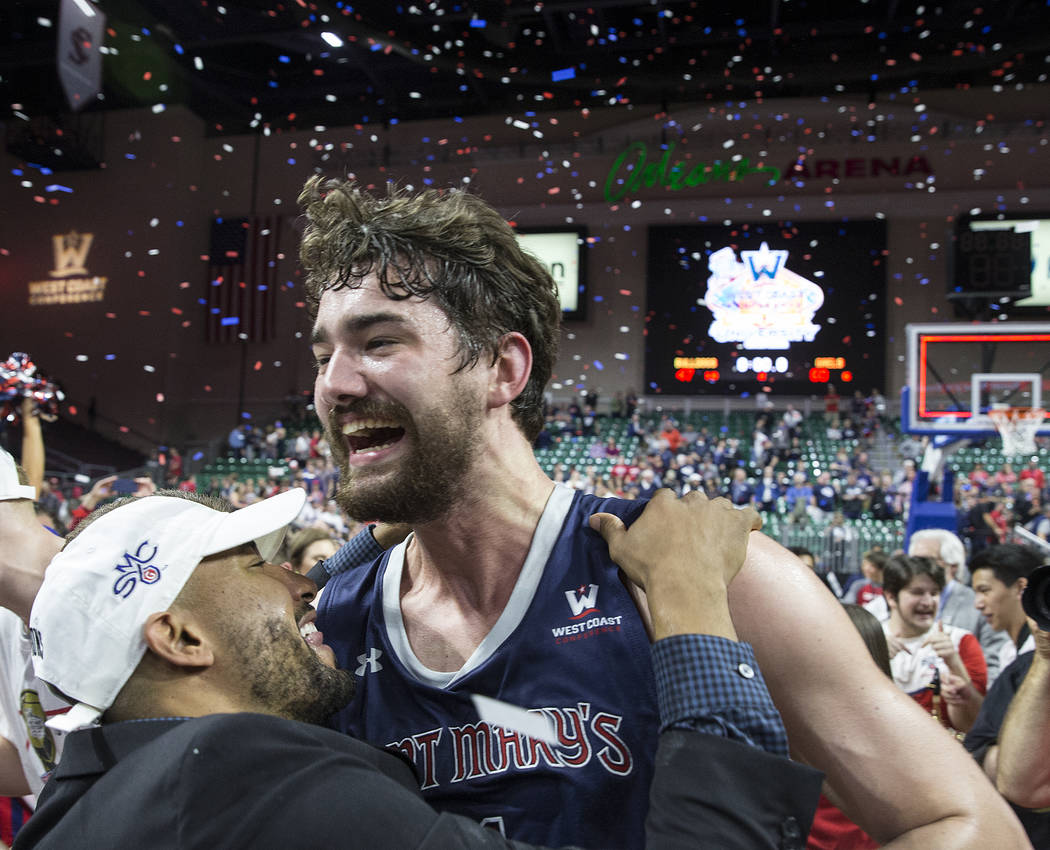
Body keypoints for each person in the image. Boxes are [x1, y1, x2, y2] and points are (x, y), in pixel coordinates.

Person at [301, 179, 1027, 848]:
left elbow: (970, 825)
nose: (334, 383)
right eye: (323, 353)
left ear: (504, 369)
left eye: (379, 341)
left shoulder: (709, 581)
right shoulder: (332, 619)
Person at [17, 489, 825, 849]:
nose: (303, 579)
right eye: (257, 564)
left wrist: (390, 528)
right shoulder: (236, 776)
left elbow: (268, 620)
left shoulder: (78, 800)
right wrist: (689, 602)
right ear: (181, 640)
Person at [882, 554, 987, 733]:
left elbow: (977, 726)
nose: (928, 602)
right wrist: (875, 661)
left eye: (934, 593)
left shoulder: (961, 642)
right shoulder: (866, 639)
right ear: (891, 597)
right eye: (917, 592)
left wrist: (954, 665)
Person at [909, 527, 1010, 684]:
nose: (916, 568)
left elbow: (994, 668)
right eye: (913, 561)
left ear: (953, 566)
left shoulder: (979, 605)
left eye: (925, 561)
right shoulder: (901, 602)